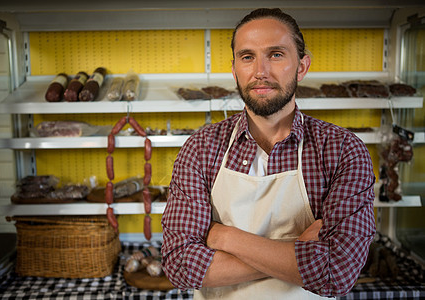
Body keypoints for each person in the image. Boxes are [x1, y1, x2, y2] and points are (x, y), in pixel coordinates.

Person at [161, 7, 376, 299]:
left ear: (301, 66)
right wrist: (298, 249)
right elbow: (181, 267)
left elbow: (335, 272)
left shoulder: (342, 151)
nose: (260, 72)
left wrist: (225, 237)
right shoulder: (200, 148)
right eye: (247, 57)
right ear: (235, 69)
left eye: (276, 54)